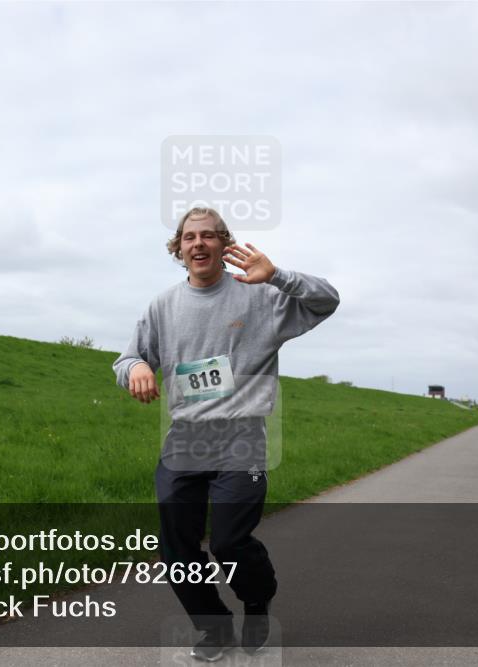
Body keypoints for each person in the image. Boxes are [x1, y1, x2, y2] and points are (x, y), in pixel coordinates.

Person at [112, 207, 340, 661]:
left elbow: (326, 300)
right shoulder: (163, 306)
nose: (198, 243)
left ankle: (257, 603)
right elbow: (127, 358)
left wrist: (280, 276)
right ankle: (213, 629)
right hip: (185, 438)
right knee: (176, 547)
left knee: (229, 542)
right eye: (189, 237)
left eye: (209, 236)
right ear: (178, 248)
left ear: (224, 244)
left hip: (241, 435)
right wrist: (136, 367)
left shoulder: (261, 296)